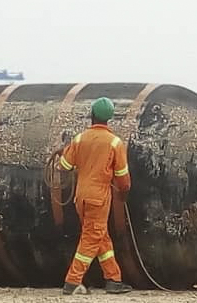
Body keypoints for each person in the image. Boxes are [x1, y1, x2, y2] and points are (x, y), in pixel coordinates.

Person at [55, 97, 133, 295]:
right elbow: (123, 178)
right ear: (110, 119)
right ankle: (72, 282)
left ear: (92, 115)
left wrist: (65, 150)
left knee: (100, 236)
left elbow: (63, 166)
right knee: (92, 237)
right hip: (99, 198)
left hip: (80, 197)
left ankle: (113, 279)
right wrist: (123, 193)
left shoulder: (80, 138)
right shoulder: (115, 143)